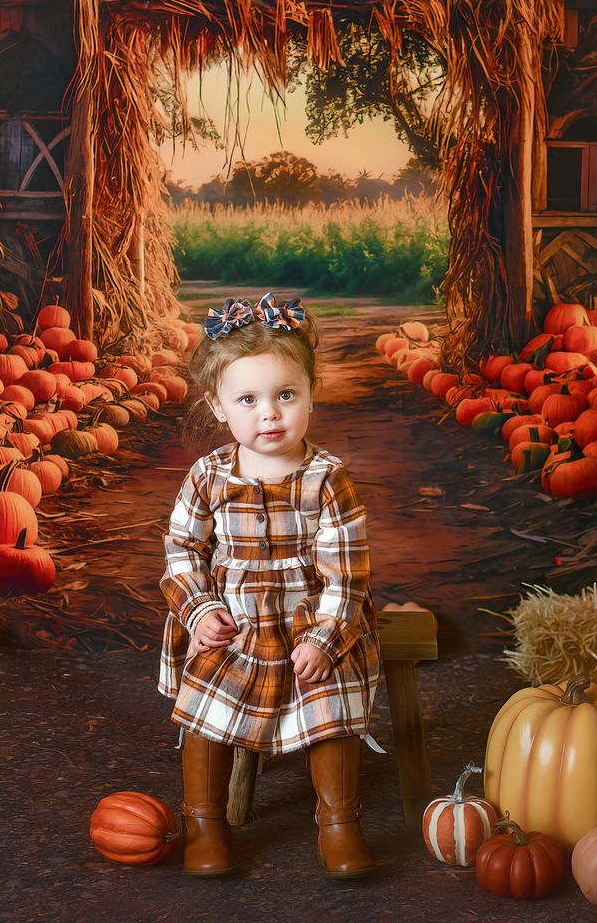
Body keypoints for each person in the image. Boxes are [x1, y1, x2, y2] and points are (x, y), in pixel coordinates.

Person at [158, 291, 381, 879]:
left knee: (330, 700)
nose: (270, 414)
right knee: (204, 703)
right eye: (249, 399)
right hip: (234, 624)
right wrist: (199, 610)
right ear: (218, 405)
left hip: (309, 622)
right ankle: (204, 822)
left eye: (286, 395)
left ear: (313, 392)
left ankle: (338, 822)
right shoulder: (207, 477)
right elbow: (182, 550)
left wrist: (327, 639)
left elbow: (347, 575)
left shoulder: (328, 480)